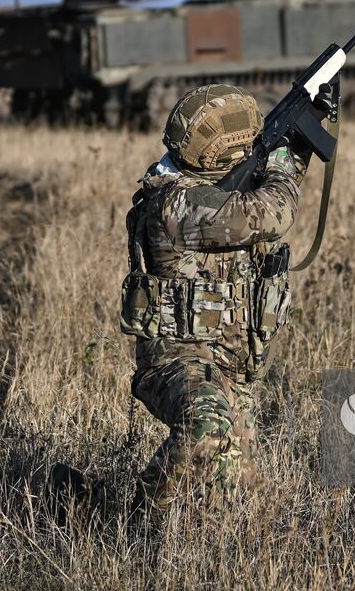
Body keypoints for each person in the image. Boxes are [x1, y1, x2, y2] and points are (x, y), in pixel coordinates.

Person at [120, 83, 309, 510]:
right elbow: (272, 212)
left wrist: (304, 129)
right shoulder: (176, 204)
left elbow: (262, 191)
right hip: (178, 357)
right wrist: (280, 162)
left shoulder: (213, 188)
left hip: (230, 359)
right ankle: (137, 516)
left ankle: (88, 503)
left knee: (236, 497)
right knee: (207, 428)